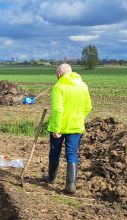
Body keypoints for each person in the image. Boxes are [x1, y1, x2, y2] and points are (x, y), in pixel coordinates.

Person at [43, 63, 92, 194]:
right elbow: (88, 107)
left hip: (60, 126)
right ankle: (71, 185)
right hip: (76, 126)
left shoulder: (58, 87)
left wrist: (57, 129)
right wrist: (79, 118)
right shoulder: (83, 85)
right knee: (72, 153)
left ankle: (51, 178)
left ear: (59, 74)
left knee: (55, 152)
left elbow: (58, 110)